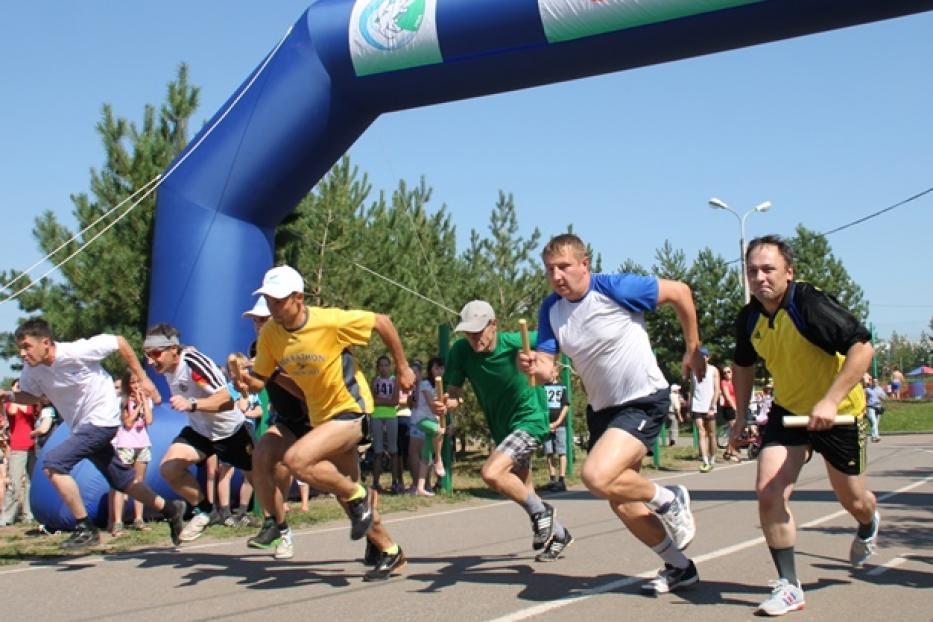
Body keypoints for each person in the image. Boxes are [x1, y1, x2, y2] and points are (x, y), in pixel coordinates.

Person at [519, 233, 702, 593]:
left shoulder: (615, 288)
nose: (556, 276)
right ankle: (680, 567)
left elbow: (680, 291)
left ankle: (670, 498)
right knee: (621, 501)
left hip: (643, 398)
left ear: (584, 265)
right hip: (602, 409)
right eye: (549, 270)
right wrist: (532, 365)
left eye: (564, 267)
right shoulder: (551, 310)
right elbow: (545, 368)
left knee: (596, 476)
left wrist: (693, 347)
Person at [730, 234, 878, 616]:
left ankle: (868, 522)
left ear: (789, 272)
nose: (760, 278)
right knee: (768, 491)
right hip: (789, 412)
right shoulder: (748, 319)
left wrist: (829, 400)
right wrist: (741, 414)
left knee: (853, 500)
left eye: (768, 269)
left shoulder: (809, 304)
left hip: (841, 412)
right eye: (752, 271)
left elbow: (863, 347)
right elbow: (743, 365)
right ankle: (790, 586)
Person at [238, 265, 413, 581]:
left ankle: (360, 496)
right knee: (343, 495)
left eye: (278, 300)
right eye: (268, 299)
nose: (273, 307)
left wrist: (402, 367)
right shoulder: (270, 337)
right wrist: (244, 382)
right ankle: (388, 550)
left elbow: (382, 322)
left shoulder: (329, 321)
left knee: (297, 460)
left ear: (298, 298)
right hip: (321, 418)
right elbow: (260, 381)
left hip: (352, 408)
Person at [3, 318, 185, 548]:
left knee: (53, 463)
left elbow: (119, 342)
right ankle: (171, 509)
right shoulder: (32, 370)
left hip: (102, 419)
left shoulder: (77, 351)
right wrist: (9, 396)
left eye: (27, 346)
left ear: (46, 342)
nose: (22, 353)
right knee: (123, 480)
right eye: (20, 347)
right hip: (82, 426)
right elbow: (33, 396)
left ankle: (85, 527)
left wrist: (143, 378)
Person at [431, 300, 573, 563]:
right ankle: (559, 533)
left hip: (530, 419)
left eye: (478, 331)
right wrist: (446, 403)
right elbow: (456, 394)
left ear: (493, 325)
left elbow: (558, 343)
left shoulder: (516, 342)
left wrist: (545, 363)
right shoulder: (461, 352)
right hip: (502, 427)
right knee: (524, 489)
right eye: (468, 333)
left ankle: (541, 515)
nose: (474, 339)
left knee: (491, 473)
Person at [145, 322, 254, 543]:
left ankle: (278, 527)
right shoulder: (167, 368)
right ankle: (207, 511)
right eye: (146, 355)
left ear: (173, 350)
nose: (150, 360)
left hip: (230, 431)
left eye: (155, 353)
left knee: (260, 479)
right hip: (201, 432)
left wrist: (192, 404)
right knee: (169, 468)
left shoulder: (194, 365)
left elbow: (226, 400)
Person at [239, 296, 310, 561]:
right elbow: (255, 386)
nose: (258, 324)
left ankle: (374, 535)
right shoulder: (258, 347)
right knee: (262, 458)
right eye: (255, 320)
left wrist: (272, 373)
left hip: (315, 419)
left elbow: (304, 391)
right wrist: (244, 380)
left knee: (340, 487)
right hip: (285, 421)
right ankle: (278, 527)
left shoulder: (296, 344)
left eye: (262, 319)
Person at [109, 371, 154, 535]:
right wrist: (138, 407)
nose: (136, 386)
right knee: (122, 483)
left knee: (139, 482)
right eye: (133, 383)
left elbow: (149, 421)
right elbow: (127, 422)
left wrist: (144, 402)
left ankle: (139, 519)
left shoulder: (146, 400)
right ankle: (118, 522)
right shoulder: (123, 401)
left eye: (138, 382)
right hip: (125, 444)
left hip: (142, 444)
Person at [1, 380, 38, 525]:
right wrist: (14, 394)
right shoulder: (10, 404)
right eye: (17, 385)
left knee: (30, 482)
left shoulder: (31, 404)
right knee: (15, 484)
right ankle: (6, 517)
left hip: (31, 445)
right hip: (17, 446)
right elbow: (11, 412)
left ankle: (29, 514)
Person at [410, 358, 445, 496]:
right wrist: (442, 407)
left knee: (425, 456)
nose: (439, 371)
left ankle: (420, 487)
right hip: (421, 419)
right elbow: (432, 404)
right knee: (439, 430)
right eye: (436, 368)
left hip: (432, 420)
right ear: (431, 369)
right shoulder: (425, 384)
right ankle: (438, 460)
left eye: (441, 368)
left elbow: (443, 404)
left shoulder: (441, 385)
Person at [370, 355, 402, 494]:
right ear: (377, 367)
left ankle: (395, 482)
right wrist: (381, 401)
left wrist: (380, 401)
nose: (383, 368)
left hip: (391, 416)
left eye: (386, 365)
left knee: (393, 451)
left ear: (390, 367)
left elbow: (395, 401)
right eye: (381, 365)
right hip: (376, 416)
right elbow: (371, 400)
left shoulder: (395, 381)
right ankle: (376, 483)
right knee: (378, 451)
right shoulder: (374, 381)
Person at [689, 348, 720, 472]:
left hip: (710, 406)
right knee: (701, 432)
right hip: (697, 405)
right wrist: (690, 404)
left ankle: (712, 458)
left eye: (704, 356)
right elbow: (692, 388)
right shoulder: (693, 370)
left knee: (712, 433)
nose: (702, 358)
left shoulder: (713, 370)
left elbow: (717, 389)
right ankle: (705, 460)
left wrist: (712, 406)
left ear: (708, 357)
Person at [542, 367, 570, 492]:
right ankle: (552, 478)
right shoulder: (542, 387)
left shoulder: (562, 387)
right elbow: (541, 405)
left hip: (560, 424)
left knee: (561, 451)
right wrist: (547, 424)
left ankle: (562, 479)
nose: (550, 373)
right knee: (549, 451)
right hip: (546, 425)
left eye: (552, 371)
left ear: (556, 373)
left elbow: (565, 406)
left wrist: (557, 422)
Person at [720, 365, 741, 463]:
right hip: (729, 408)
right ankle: (732, 452)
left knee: (734, 431)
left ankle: (728, 451)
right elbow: (727, 396)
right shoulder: (724, 383)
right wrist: (735, 408)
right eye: (724, 373)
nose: (726, 374)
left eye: (728, 372)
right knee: (734, 430)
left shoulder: (736, 382)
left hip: (737, 407)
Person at [864, 375, 886, 443]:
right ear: (871, 382)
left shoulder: (880, 389)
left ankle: (875, 436)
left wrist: (882, 398)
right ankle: (875, 436)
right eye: (873, 382)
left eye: (876, 382)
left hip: (878, 407)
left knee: (875, 423)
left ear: (878, 382)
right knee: (874, 422)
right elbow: (864, 398)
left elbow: (884, 398)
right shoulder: (867, 389)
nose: (875, 383)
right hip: (870, 407)